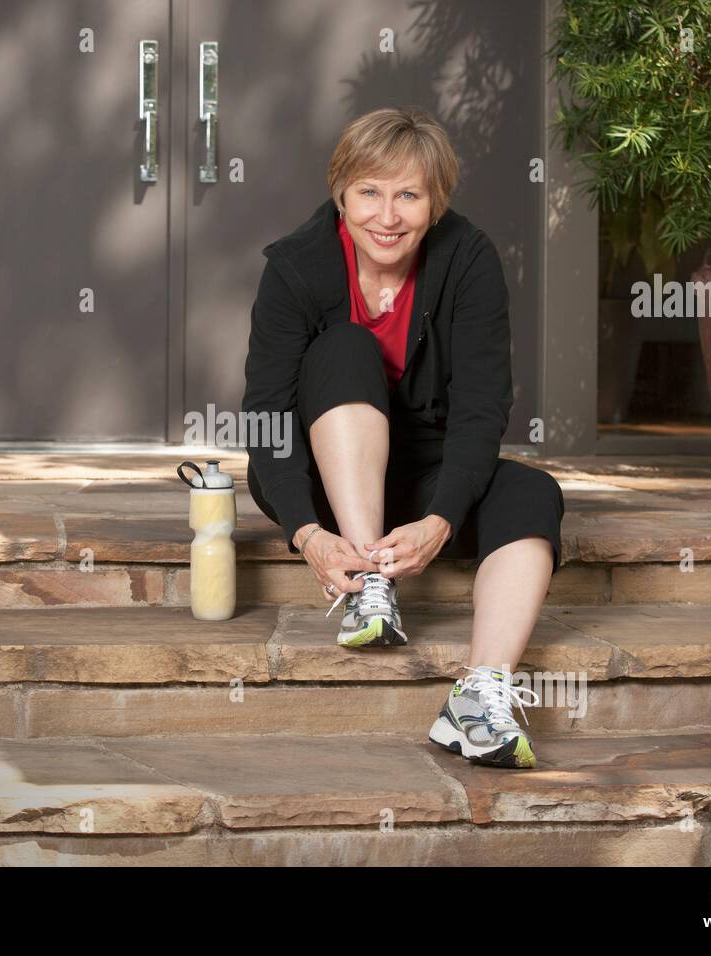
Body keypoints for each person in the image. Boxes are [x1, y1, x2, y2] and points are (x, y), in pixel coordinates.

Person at [241, 106, 565, 769]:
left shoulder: (468, 259)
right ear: (341, 195)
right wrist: (306, 534)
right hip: (329, 483)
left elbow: (481, 410)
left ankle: (478, 699)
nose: (386, 216)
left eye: (408, 195)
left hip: (423, 478)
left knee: (532, 494)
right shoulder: (296, 268)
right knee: (344, 349)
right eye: (369, 192)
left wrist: (442, 520)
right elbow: (268, 423)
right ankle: (368, 589)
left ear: (435, 202)